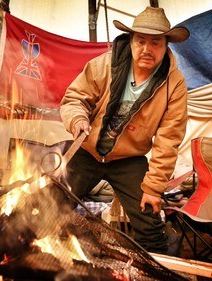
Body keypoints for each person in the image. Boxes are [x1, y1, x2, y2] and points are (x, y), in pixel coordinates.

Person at [60, 6, 190, 255]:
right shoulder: (104, 65)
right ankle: (28, 250)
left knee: (149, 221)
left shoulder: (175, 84)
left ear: (166, 46)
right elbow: (74, 99)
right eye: (141, 41)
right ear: (131, 41)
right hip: (88, 151)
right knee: (51, 203)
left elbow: (168, 138)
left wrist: (153, 188)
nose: (147, 49)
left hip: (129, 160)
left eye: (156, 42)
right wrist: (77, 119)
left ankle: (156, 265)